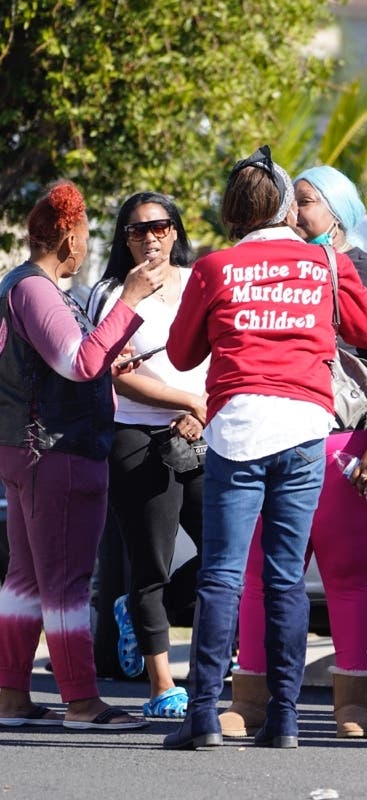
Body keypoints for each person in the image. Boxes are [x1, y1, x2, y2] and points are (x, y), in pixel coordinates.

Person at [161, 146, 367, 751]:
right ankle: (284, 719)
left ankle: (203, 715)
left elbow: (182, 355)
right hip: (305, 428)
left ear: (232, 211)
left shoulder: (215, 267)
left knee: (223, 575)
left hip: (237, 426)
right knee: (287, 579)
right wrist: (333, 267)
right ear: (287, 206)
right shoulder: (326, 263)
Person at [219, 165, 367, 740]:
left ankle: (353, 705)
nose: (295, 212)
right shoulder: (282, 269)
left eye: (305, 203)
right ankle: (249, 701)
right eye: (292, 201)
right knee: (262, 569)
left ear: (337, 211)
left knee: (346, 569)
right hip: (286, 433)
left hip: (356, 441)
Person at [0, 180, 163, 730]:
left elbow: (64, 363)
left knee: (25, 579)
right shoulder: (37, 290)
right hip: (59, 453)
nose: (87, 248)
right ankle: (82, 702)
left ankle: (12, 698)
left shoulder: (20, 287)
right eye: (85, 235)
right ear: (69, 237)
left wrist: (105, 362)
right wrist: (131, 301)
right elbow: (75, 362)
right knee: (69, 581)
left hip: (32, 451)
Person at [85, 193, 208, 720]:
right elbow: (116, 373)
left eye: (160, 227)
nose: (150, 237)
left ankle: (138, 612)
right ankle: (163, 687)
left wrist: (204, 412)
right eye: (137, 230)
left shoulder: (203, 281)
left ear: (176, 232)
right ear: (124, 239)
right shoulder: (112, 293)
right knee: (150, 563)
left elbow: (226, 350)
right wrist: (188, 400)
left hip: (205, 432)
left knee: (227, 556)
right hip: (137, 438)